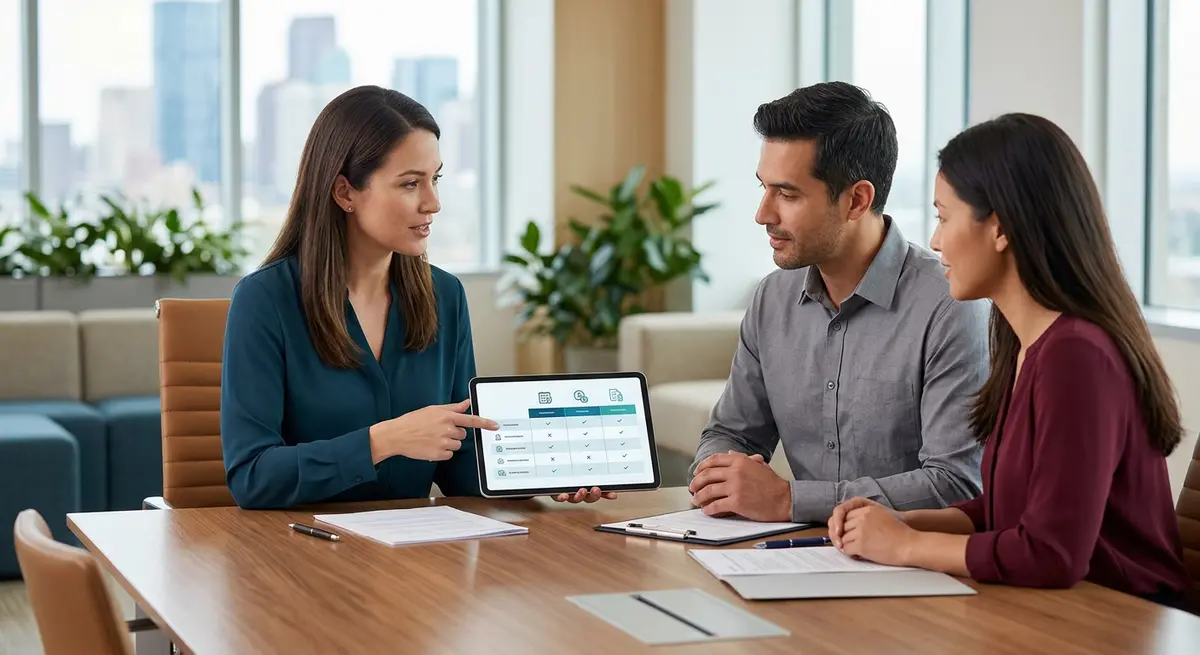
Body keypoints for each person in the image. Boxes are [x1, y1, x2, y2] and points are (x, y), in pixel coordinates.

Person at [828, 113, 1189, 603]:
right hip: (1055, 609)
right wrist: (905, 523)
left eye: (943, 216)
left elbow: (1052, 553)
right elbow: (1013, 512)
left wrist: (909, 545)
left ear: (999, 227)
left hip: (1117, 618)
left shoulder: (1077, 356)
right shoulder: (1024, 344)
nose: (934, 241)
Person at [687, 81, 990, 524]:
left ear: (857, 200)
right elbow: (731, 432)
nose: (763, 213)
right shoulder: (773, 297)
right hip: (791, 554)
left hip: (913, 568)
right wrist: (718, 475)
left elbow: (956, 484)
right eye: (764, 188)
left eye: (787, 194)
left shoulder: (951, 305)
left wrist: (790, 501)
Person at [220, 85, 502, 509]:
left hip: (414, 559)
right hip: (301, 553)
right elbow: (253, 476)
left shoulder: (446, 295)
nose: (433, 203)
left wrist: (546, 475)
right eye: (410, 184)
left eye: (435, 179)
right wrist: (382, 441)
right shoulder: (265, 300)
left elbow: (460, 466)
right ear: (345, 192)